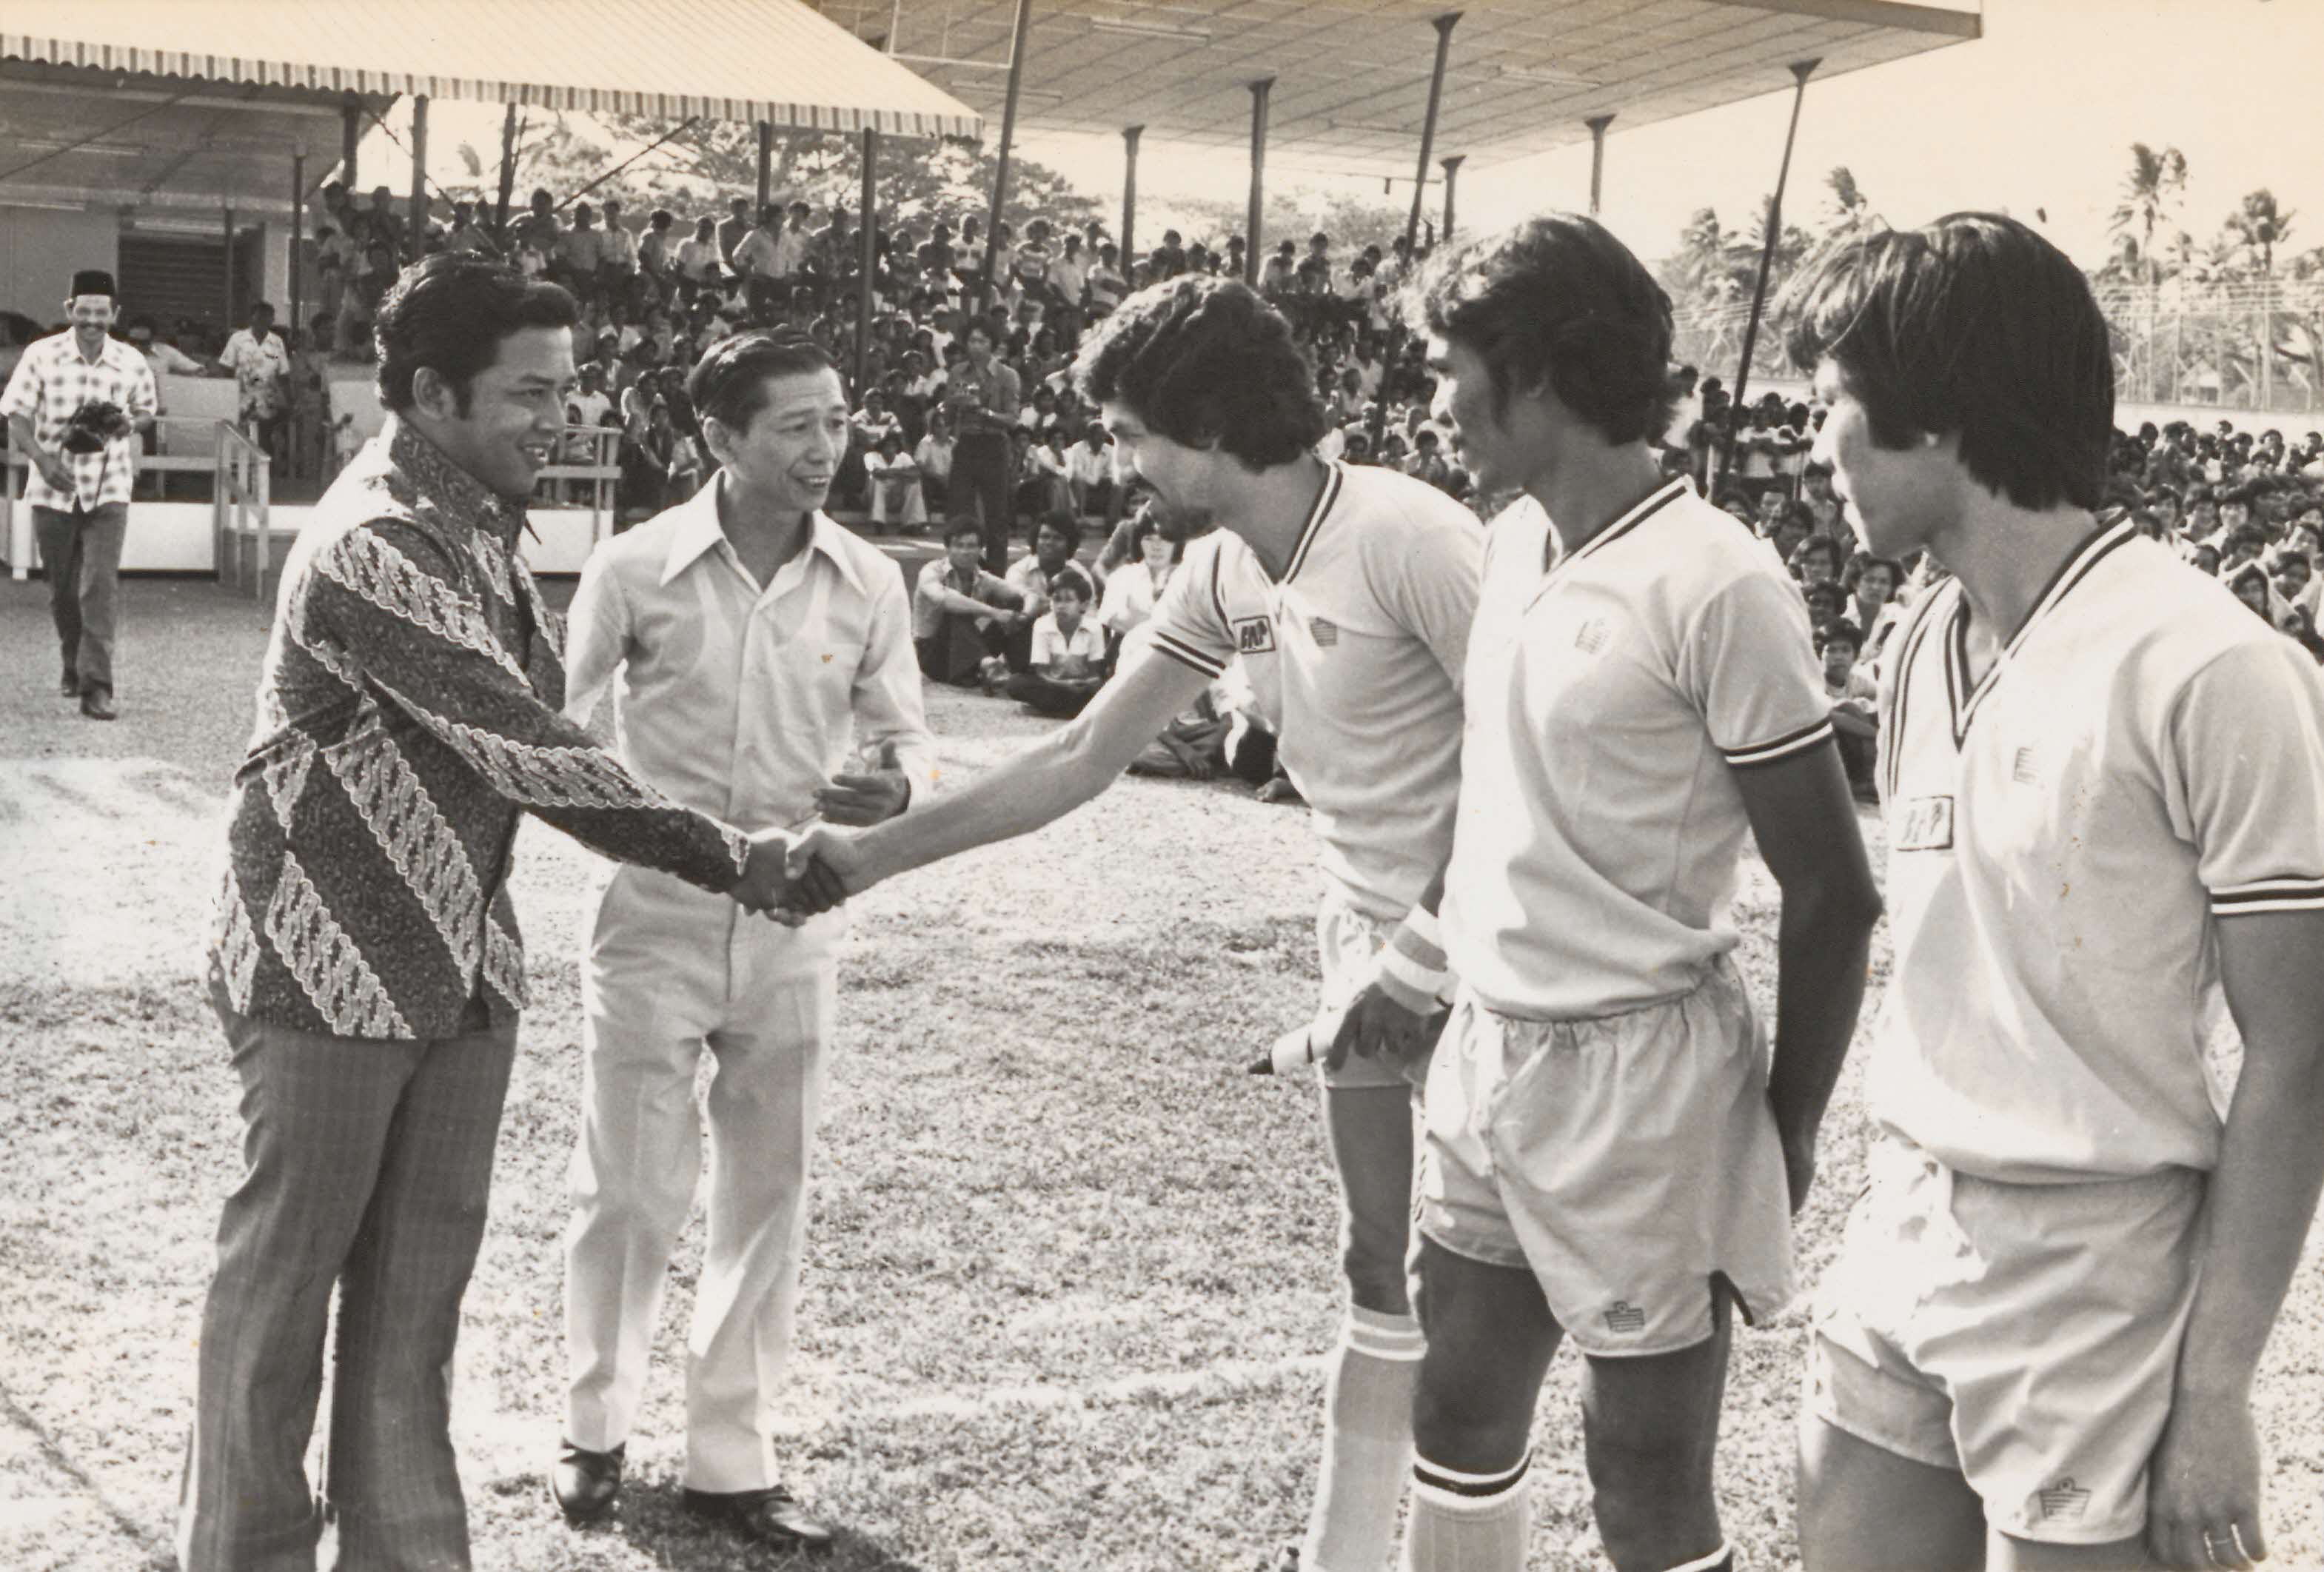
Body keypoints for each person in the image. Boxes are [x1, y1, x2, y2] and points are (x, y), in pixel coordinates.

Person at [781, 274, 1484, 1572]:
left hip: (1490, 962)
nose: (1116, 462)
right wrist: (869, 856)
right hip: (1364, 950)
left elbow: (1522, 761)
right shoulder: (1223, 568)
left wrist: (1425, 956)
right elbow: (1081, 753)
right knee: (1372, 1259)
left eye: (1126, 432)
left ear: (1206, 421)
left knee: (1498, 1303)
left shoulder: (1409, 534)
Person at [176, 253, 800, 1572]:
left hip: (457, 969)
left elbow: (530, 746)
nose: (560, 419)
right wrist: (736, 855)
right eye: (530, 393)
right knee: (280, 1298)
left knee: (412, 1313)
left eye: (565, 389)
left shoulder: (477, 525)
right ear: (429, 391)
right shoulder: (373, 542)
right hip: (322, 966)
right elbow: (524, 744)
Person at [1788, 212, 2324, 1572]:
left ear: (1937, 414)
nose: (1811, 446)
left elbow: (2297, 1052)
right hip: (1903, 1220)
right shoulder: (1916, 638)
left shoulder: (2208, 666)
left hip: (2096, 1262)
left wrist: (2210, 1396)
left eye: (1833, 404)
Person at [1398, 214, 1881, 1572]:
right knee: (1455, 1399)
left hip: (1644, 1076)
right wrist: (1419, 967)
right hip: (1488, 1047)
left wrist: (1779, 1127)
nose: (1435, 403)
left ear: (1535, 370)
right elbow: (1492, 804)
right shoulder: (1504, 549)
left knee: (1641, 1471)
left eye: (1449, 367)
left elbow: (1830, 887)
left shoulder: (1714, 576)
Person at [552, 329, 935, 1556]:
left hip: (797, 924)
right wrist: (679, 838)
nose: (826, 446)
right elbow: (559, 740)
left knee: (768, 1186)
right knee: (630, 1187)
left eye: (835, 420)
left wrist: (887, 790)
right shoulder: (633, 567)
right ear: (718, 437)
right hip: (654, 914)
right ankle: (592, 1432)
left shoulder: (867, 576)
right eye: (795, 426)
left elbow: (903, 740)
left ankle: (733, 1456)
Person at [1, 267, 158, 721]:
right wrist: (44, 461)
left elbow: (146, 410)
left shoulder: (130, 360)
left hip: (109, 487)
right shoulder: (41, 355)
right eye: (83, 313)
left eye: (101, 314)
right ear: (69, 310)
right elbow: (16, 415)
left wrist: (131, 423)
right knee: (63, 591)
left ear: (114, 314)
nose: (92, 322)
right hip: (53, 490)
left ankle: (98, 686)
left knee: (99, 586)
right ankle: (72, 660)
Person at [943, 321, 1023, 572]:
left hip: (993, 445)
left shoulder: (1006, 375)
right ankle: (963, 568)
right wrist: (951, 405)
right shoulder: (958, 372)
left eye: (982, 341)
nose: (976, 346)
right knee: (960, 511)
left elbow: (1012, 419)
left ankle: (996, 573)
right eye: (972, 341)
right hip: (966, 443)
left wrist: (984, 411)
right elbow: (947, 414)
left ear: (993, 345)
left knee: (996, 514)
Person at [913, 518, 1027, 686]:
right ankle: (987, 665)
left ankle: (1020, 667)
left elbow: (1024, 595)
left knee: (1014, 603)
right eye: (958, 546)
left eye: (971, 546)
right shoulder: (932, 571)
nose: (965, 552)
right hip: (932, 653)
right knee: (956, 610)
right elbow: (942, 598)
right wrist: (993, 612)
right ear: (948, 549)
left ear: (981, 549)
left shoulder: (983, 578)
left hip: (964, 652)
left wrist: (1024, 614)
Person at [1002, 571, 1108, 718]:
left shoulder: (1094, 628)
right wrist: (1065, 685)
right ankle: (1074, 712)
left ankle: (1053, 710)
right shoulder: (1042, 625)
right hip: (1053, 685)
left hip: (1081, 687)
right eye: (1056, 600)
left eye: (1068, 600)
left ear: (1083, 605)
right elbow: (1042, 672)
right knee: (1015, 683)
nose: (1061, 606)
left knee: (1107, 688)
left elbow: (1094, 673)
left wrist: (1086, 684)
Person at [219, 300, 292, 461]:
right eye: (259, 318)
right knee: (240, 437)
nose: (263, 322)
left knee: (264, 438)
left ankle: (262, 471)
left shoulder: (277, 342)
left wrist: (287, 400)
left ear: (272, 320)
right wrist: (227, 395)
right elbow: (226, 368)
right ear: (252, 318)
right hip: (241, 397)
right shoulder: (237, 339)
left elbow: (284, 374)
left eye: (267, 318)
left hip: (267, 398)